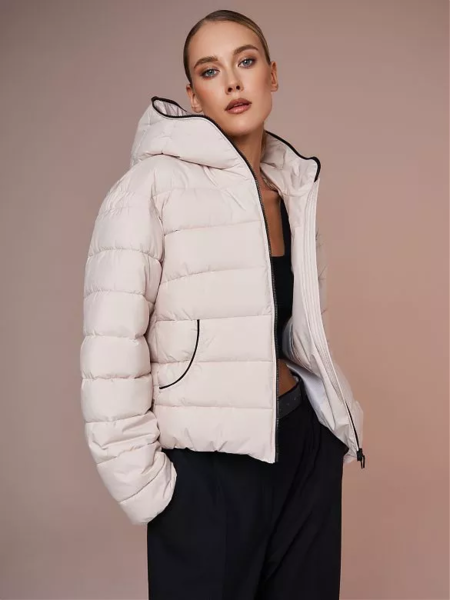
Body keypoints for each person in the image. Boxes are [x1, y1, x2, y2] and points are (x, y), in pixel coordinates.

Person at [80, 9, 366, 599]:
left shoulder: (290, 190)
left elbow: (299, 332)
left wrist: (329, 431)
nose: (233, 82)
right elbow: (110, 350)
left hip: (300, 448)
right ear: (193, 95)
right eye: (210, 71)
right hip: (206, 473)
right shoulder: (149, 189)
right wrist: (150, 488)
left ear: (272, 74)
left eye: (246, 61)